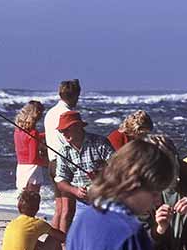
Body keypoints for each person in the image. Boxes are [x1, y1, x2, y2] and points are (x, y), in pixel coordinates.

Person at [53, 110, 114, 237]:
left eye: (66, 129)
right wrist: (75, 191)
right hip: (82, 203)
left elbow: (119, 168)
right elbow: (60, 181)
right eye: (61, 131)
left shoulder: (100, 143)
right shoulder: (64, 152)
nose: (63, 134)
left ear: (77, 127)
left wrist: (101, 176)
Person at [1, 186, 65, 250]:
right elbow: (61, 237)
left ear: (19, 207)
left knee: (33, 243)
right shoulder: (37, 223)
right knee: (53, 239)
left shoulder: (11, 224)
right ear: (37, 208)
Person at [44, 80, 80, 236]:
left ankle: (53, 248)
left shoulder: (50, 113)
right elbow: (74, 141)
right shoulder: (67, 115)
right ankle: (64, 248)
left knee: (59, 208)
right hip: (64, 164)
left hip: (52, 162)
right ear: (75, 95)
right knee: (67, 209)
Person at [13, 100, 50, 190]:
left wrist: (46, 134)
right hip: (32, 170)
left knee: (23, 199)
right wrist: (48, 163)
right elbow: (33, 159)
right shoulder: (33, 133)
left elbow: (28, 140)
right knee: (33, 199)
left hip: (21, 168)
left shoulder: (17, 131)